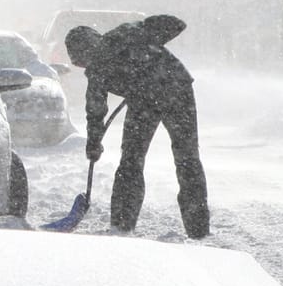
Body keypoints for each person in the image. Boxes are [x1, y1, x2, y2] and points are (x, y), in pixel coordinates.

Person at [64, 15, 209, 239]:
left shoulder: (122, 36)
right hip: (145, 100)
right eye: (78, 63)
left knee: (184, 157)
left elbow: (177, 24)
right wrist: (94, 142)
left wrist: (146, 37)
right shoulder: (97, 71)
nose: (83, 65)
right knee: (134, 159)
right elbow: (95, 109)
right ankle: (123, 225)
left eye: (80, 59)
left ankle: (196, 228)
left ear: (88, 47)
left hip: (175, 89)